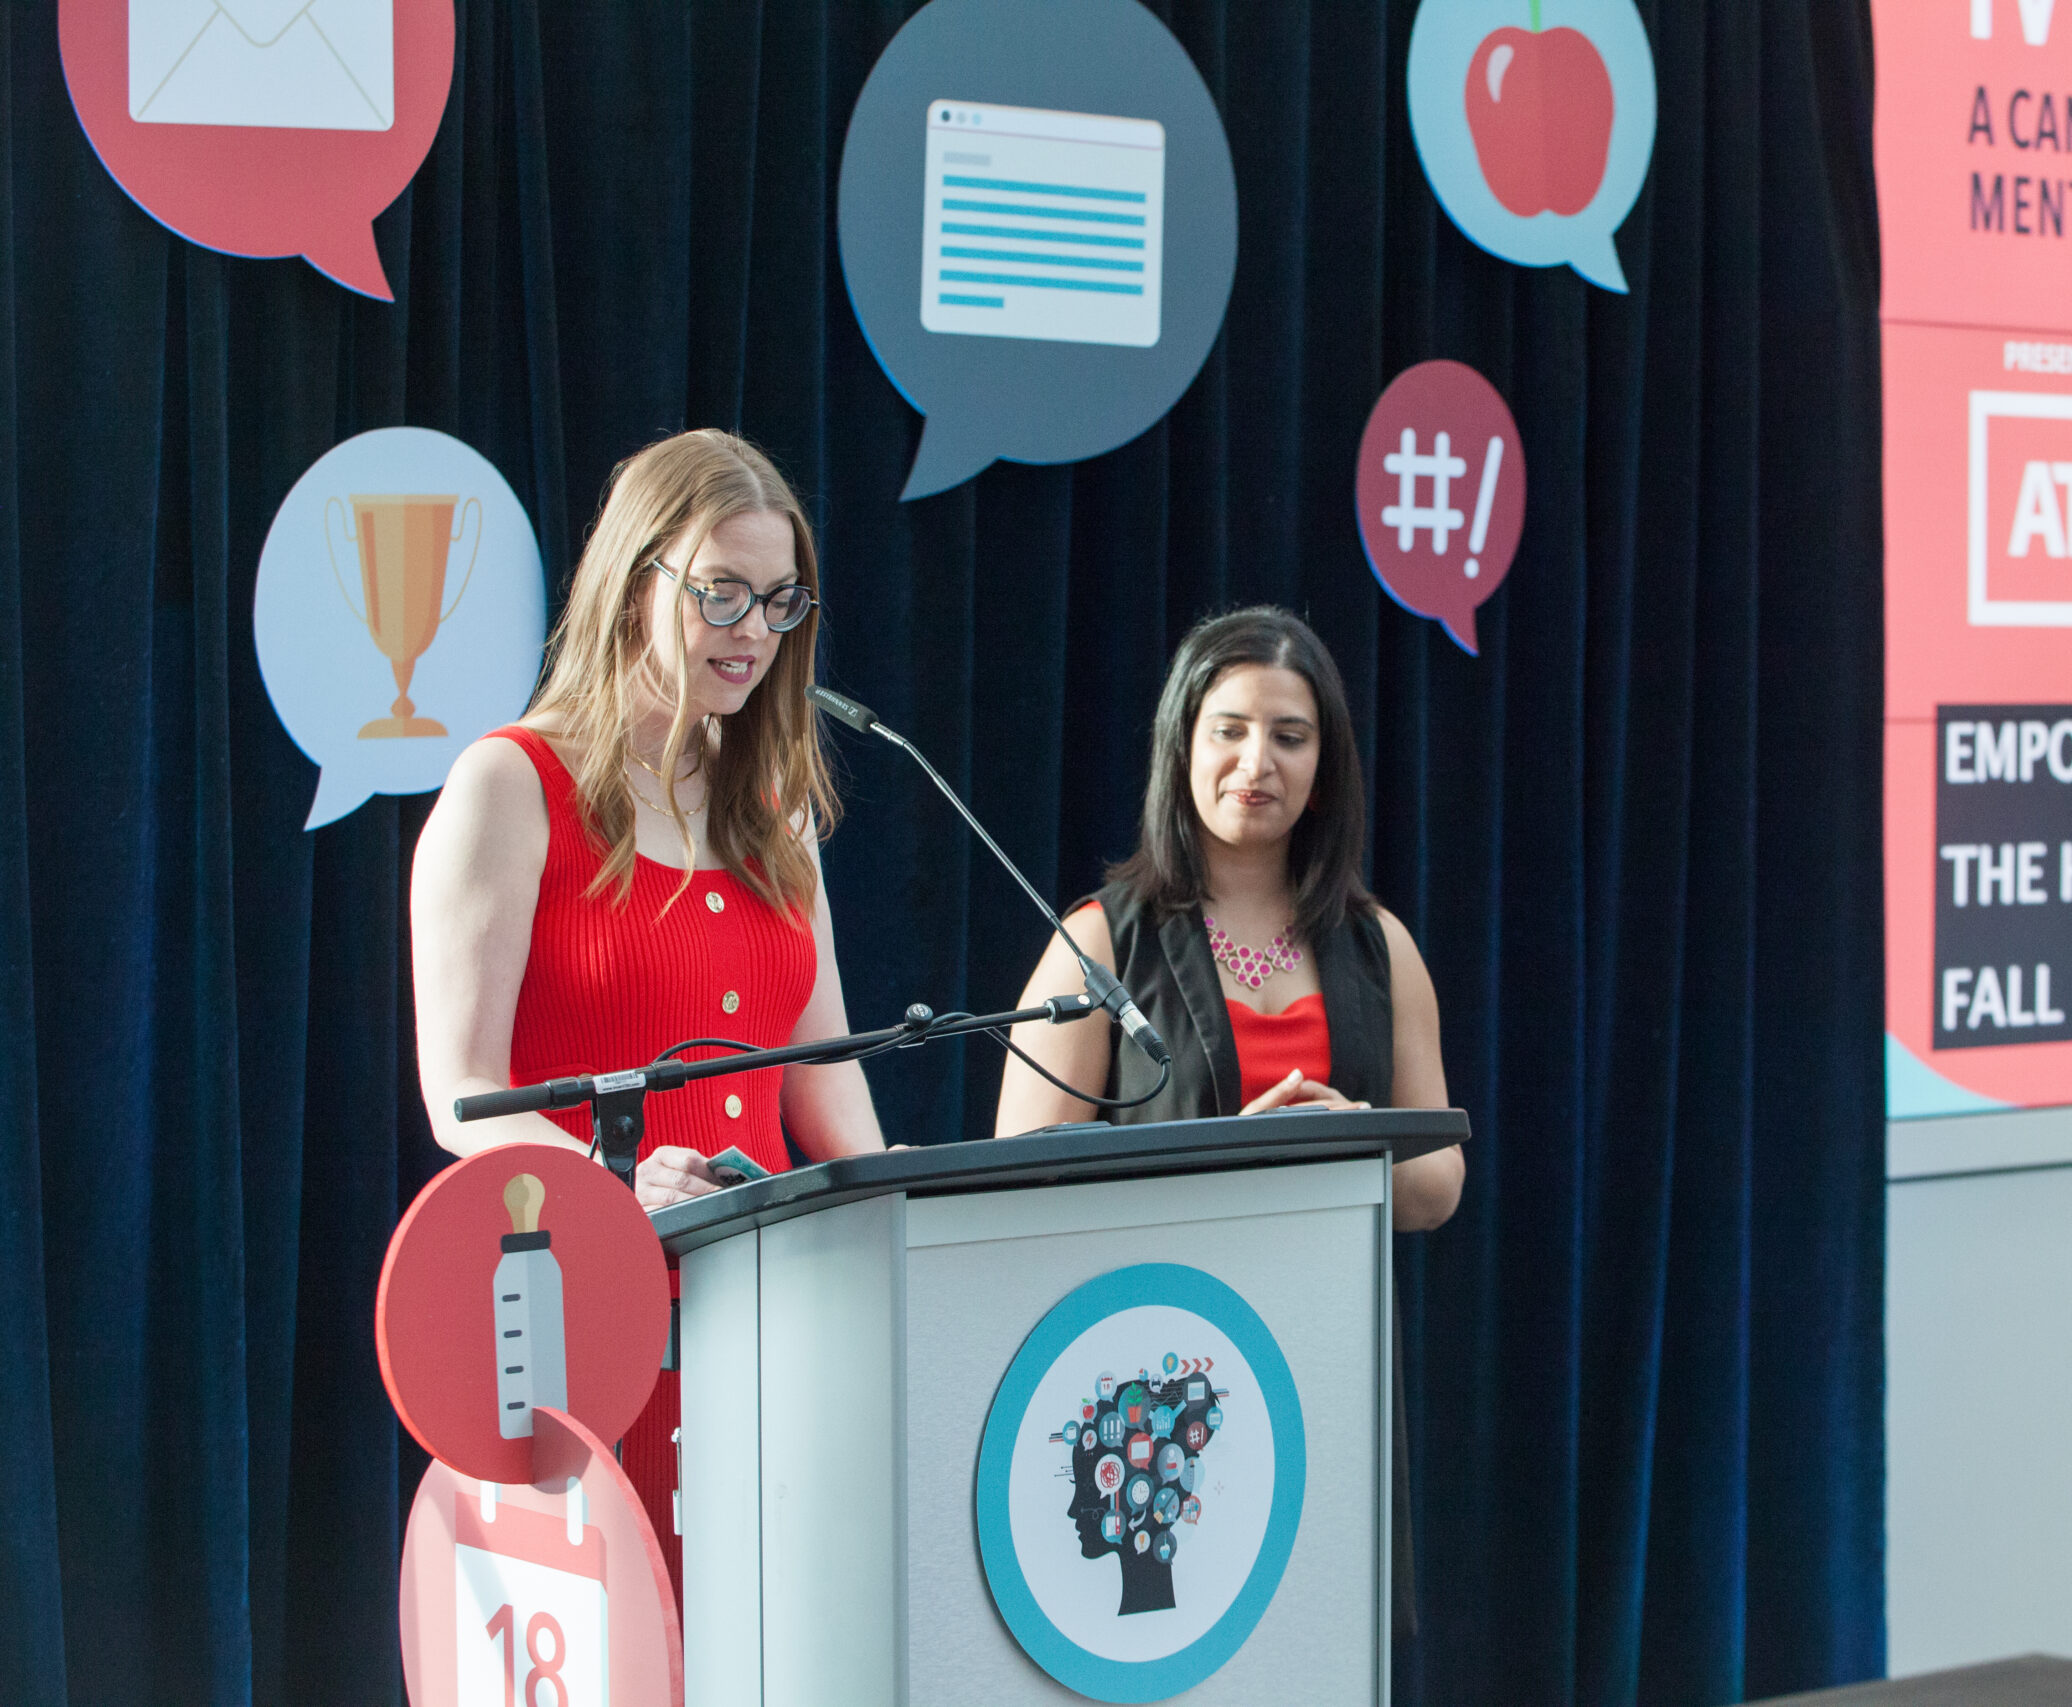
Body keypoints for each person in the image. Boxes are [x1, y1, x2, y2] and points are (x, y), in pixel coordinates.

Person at [409, 427, 885, 1592]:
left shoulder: (777, 811)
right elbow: (461, 1098)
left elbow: (821, 1064)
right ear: (635, 585)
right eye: (720, 592)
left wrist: (890, 1201)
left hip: (780, 1322)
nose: (752, 633)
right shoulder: (510, 785)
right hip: (590, 1331)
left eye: (778, 602)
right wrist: (612, 1184)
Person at [992, 605, 1463, 1235]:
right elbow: (1014, 1188)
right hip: (1153, 1321)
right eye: (1229, 731)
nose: (1256, 761)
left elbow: (1438, 1189)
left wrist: (1349, 1146)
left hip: (1336, 1322)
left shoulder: (1382, 944)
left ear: (1323, 770)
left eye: (1289, 738)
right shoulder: (1100, 942)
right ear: (1181, 746)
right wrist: (1229, 1165)